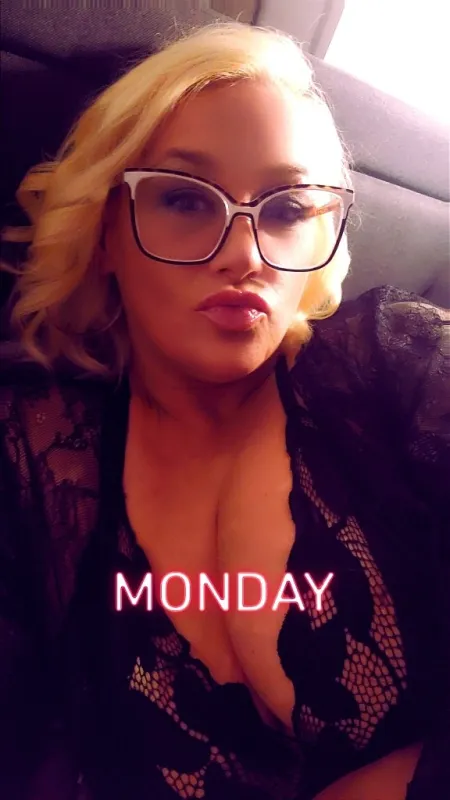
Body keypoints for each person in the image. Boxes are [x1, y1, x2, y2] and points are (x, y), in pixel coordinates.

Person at [0, 21, 448, 800]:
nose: (245, 254)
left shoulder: (399, 366)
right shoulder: (39, 453)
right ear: (104, 229)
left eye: (287, 209)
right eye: (184, 198)